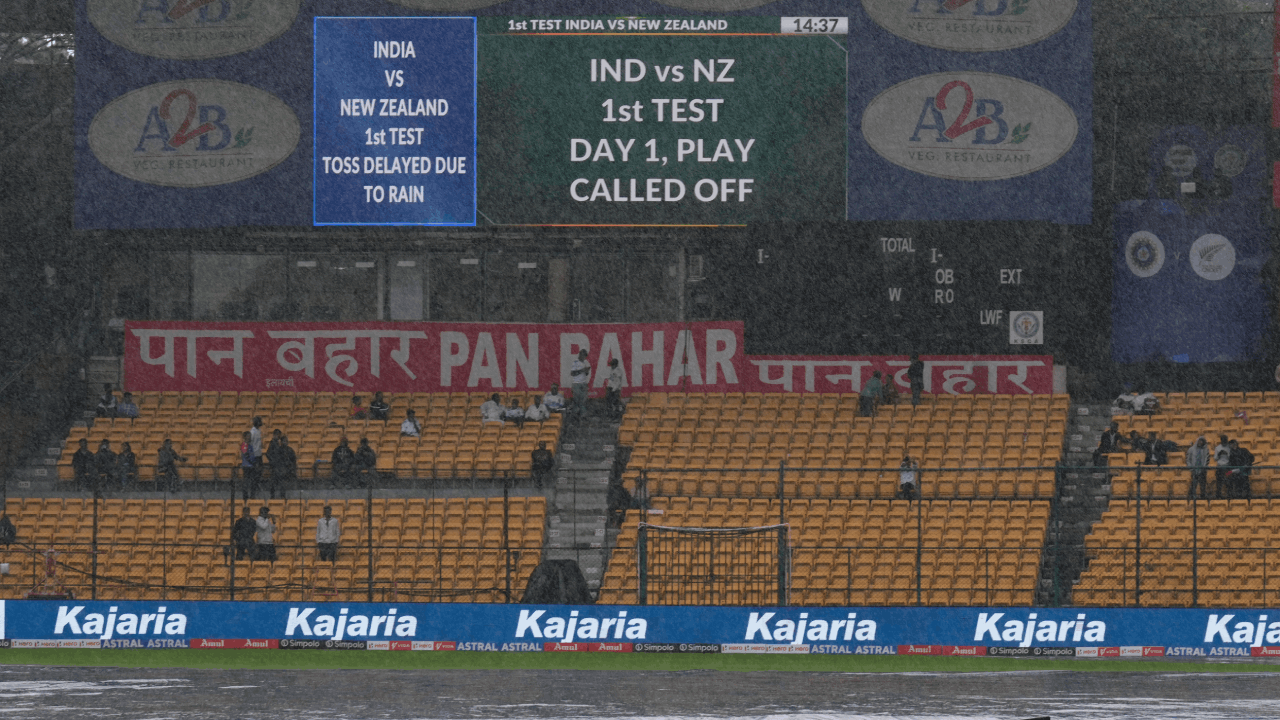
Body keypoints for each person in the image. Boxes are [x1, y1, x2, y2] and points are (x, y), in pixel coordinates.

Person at [266, 434, 296, 499]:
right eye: (284, 441)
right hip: (277, 470)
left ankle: (282, 497)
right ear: (281, 442)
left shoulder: (290, 450)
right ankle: (272, 496)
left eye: (286, 441)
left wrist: (291, 469)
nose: (285, 442)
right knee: (273, 483)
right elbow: (273, 458)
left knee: (283, 485)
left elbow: (293, 461)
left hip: (285, 471)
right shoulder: (277, 450)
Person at [1185, 436, 1210, 501]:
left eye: (1202, 441)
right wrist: (1191, 468)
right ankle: (1191, 498)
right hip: (1194, 470)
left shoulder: (1206, 450)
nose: (1200, 442)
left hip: (1202, 471)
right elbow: (1188, 460)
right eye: (1199, 441)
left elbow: (1207, 460)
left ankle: (1203, 498)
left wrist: (1203, 468)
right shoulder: (1191, 449)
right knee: (1193, 484)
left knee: (1202, 485)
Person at [570, 349, 591, 418]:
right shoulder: (575, 362)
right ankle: (575, 415)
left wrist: (586, 371)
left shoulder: (586, 362)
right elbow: (572, 373)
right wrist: (582, 370)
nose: (582, 356)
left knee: (584, 401)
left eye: (584, 355)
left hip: (584, 383)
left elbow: (586, 374)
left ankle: (583, 415)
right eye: (581, 354)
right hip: (576, 383)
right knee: (576, 400)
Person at [247, 416, 265, 492]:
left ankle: (257, 484)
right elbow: (249, 443)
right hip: (254, 455)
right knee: (255, 472)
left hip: (259, 454)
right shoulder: (252, 432)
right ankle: (254, 487)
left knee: (260, 471)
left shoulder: (259, 431)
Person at [239, 431, 257, 501]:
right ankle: (245, 496)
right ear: (245, 437)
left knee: (252, 481)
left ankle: (252, 495)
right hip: (247, 466)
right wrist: (252, 461)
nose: (250, 437)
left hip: (251, 466)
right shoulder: (244, 445)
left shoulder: (250, 445)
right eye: (248, 436)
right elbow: (246, 455)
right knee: (246, 481)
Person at [1214, 434, 1232, 499]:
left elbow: (1232, 457)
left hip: (1228, 467)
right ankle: (1218, 495)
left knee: (1228, 481)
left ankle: (1229, 496)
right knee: (1219, 482)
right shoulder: (1218, 448)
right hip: (1220, 467)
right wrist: (1219, 454)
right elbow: (1215, 458)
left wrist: (1226, 454)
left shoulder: (1229, 447)